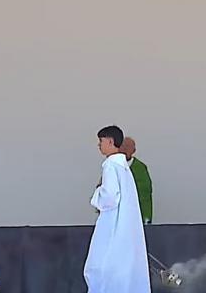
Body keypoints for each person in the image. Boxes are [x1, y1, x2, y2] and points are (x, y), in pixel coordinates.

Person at [83, 125, 150, 293]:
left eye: (101, 141)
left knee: (100, 267)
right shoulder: (124, 167)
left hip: (112, 225)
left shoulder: (111, 165)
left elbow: (110, 197)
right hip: (125, 228)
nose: (99, 145)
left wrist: (97, 194)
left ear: (111, 141)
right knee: (124, 269)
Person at [120, 137, 153, 224]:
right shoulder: (113, 165)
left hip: (136, 216)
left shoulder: (141, 168)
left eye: (128, 147)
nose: (124, 149)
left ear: (133, 150)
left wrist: (146, 216)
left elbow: (145, 194)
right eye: (122, 146)